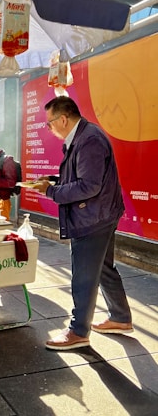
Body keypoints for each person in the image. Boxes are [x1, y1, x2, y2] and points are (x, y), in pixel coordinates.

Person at [32, 96, 132, 351]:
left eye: (49, 123)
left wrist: (51, 192)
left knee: (84, 273)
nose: (49, 128)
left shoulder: (89, 140)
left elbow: (89, 185)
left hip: (94, 217)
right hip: (102, 212)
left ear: (62, 119)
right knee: (105, 268)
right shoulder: (82, 136)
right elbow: (79, 176)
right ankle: (120, 317)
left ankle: (78, 331)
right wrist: (54, 180)